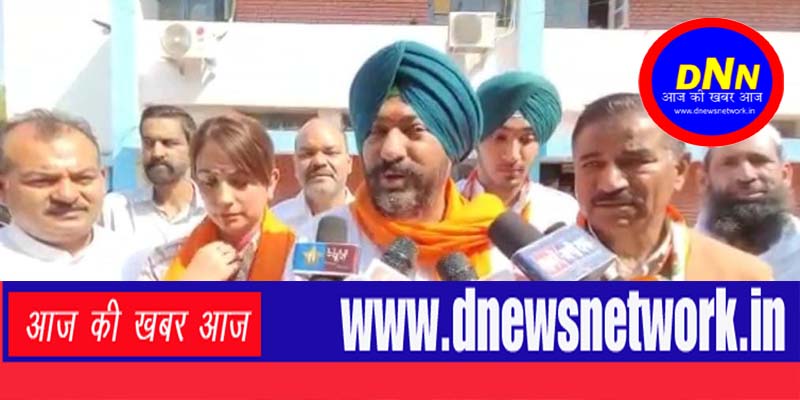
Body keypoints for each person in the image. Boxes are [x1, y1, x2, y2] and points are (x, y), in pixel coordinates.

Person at [293, 41, 509, 280]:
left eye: (414, 130)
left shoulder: (500, 255)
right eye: (378, 131)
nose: (390, 150)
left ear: (452, 145)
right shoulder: (317, 245)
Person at [572, 93, 772, 281]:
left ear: (680, 170)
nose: (610, 183)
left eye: (633, 162)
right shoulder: (552, 276)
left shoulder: (743, 278)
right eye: (592, 164)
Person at [163, 113, 296, 281]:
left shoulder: (300, 259)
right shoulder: (164, 260)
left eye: (239, 182)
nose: (223, 199)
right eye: (209, 182)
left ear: (270, 183)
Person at [0, 109, 126, 280]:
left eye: (83, 178)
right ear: (2, 189)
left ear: (102, 180)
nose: (67, 195)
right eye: (43, 181)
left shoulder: (140, 264)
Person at [458, 71, 578, 232]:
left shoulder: (563, 212)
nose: (513, 155)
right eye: (500, 138)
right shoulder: (443, 208)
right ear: (477, 140)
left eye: (526, 139)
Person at [101, 105, 206, 280]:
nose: (157, 153)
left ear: (192, 148)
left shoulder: (214, 212)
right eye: (149, 143)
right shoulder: (115, 208)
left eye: (168, 143)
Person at [696, 125, 799, 280]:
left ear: (785, 175)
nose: (746, 176)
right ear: (704, 180)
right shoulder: (678, 258)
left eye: (759, 161)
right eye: (729, 163)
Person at [272, 117, 353, 229]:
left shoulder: (369, 222)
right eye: (308, 154)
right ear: (295, 165)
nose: (319, 161)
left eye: (330, 152)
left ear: (349, 163)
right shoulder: (274, 224)